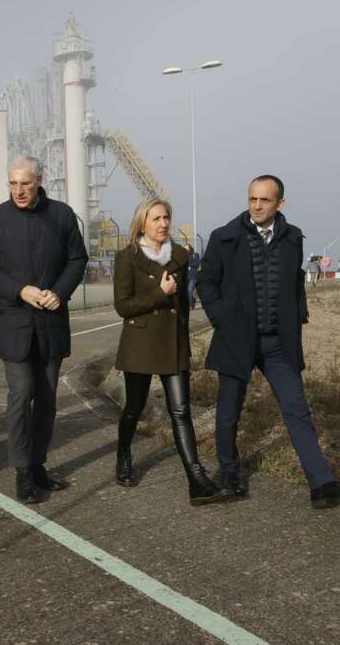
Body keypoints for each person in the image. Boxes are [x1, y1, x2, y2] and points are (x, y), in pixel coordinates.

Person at [197, 174, 340, 509]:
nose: (257, 206)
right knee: (228, 413)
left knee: (297, 409)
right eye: (252, 199)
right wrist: (221, 319)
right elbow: (206, 282)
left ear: (280, 204)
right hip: (236, 339)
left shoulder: (292, 239)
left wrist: (298, 315)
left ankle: (322, 486)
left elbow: (294, 284)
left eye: (265, 200)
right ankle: (230, 479)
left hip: (277, 343)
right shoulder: (223, 237)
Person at [0, 156, 88, 504]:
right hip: (14, 324)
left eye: (25, 183)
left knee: (47, 400)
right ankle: (22, 471)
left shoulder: (62, 215)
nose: (19, 190)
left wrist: (60, 292)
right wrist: (19, 290)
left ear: (40, 180)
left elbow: (77, 259)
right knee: (21, 394)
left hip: (52, 324)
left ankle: (39, 464)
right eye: (13, 183)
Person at [112, 199, 225, 504]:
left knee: (181, 412)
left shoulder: (180, 255)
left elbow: (185, 307)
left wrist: (184, 342)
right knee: (134, 408)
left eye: (166, 218)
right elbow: (123, 306)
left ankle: (196, 478)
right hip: (140, 343)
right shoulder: (127, 257)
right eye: (156, 218)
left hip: (172, 343)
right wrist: (158, 294)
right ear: (142, 223)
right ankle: (123, 454)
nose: (163, 224)